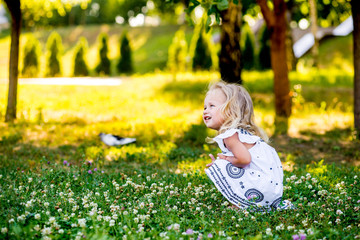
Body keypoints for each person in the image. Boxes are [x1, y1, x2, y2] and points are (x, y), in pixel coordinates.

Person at [203, 81, 285, 210]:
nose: (206, 111)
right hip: (271, 191)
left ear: (230, 111)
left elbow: (245, 160)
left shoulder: (231, 136)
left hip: (261, 190)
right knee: (222, 163)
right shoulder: (242, 134)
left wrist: (225, 161)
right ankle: (246, 203)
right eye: (205, 107)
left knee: (222, 163)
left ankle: (240, 204)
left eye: (211, 106)